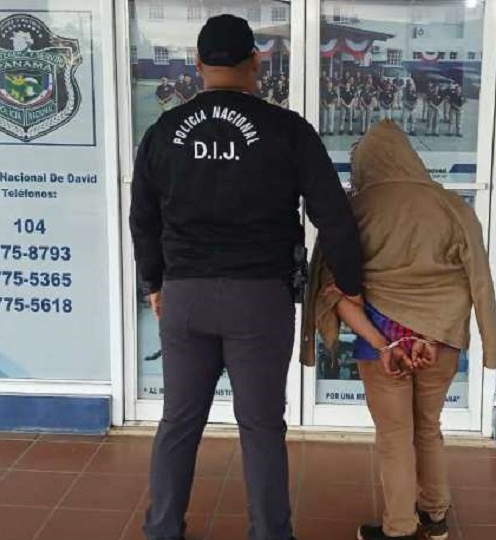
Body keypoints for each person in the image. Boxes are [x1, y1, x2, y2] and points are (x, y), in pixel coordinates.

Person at [130, 15, 364, 540]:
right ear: (256, 61)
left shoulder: (164, 131)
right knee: (260, 428)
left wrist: (154, 285)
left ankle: (162, 530)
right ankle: (270, 533)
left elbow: (142, 218)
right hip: (260, 299)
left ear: (197, 64)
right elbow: (334, 215)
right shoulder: (288, 130)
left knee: (178, 423)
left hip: (186, 295)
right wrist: (350, 282)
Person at [301, 121, 496, 540]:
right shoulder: (453, 207)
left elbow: (329, 287)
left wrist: (349, 339)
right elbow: (478, 279)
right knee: (427, 427)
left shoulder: (352, 212)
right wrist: (489, 342)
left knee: (395, 436)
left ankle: (398, 528)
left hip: (381, 342)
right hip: (440, 341)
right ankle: (435, 516)